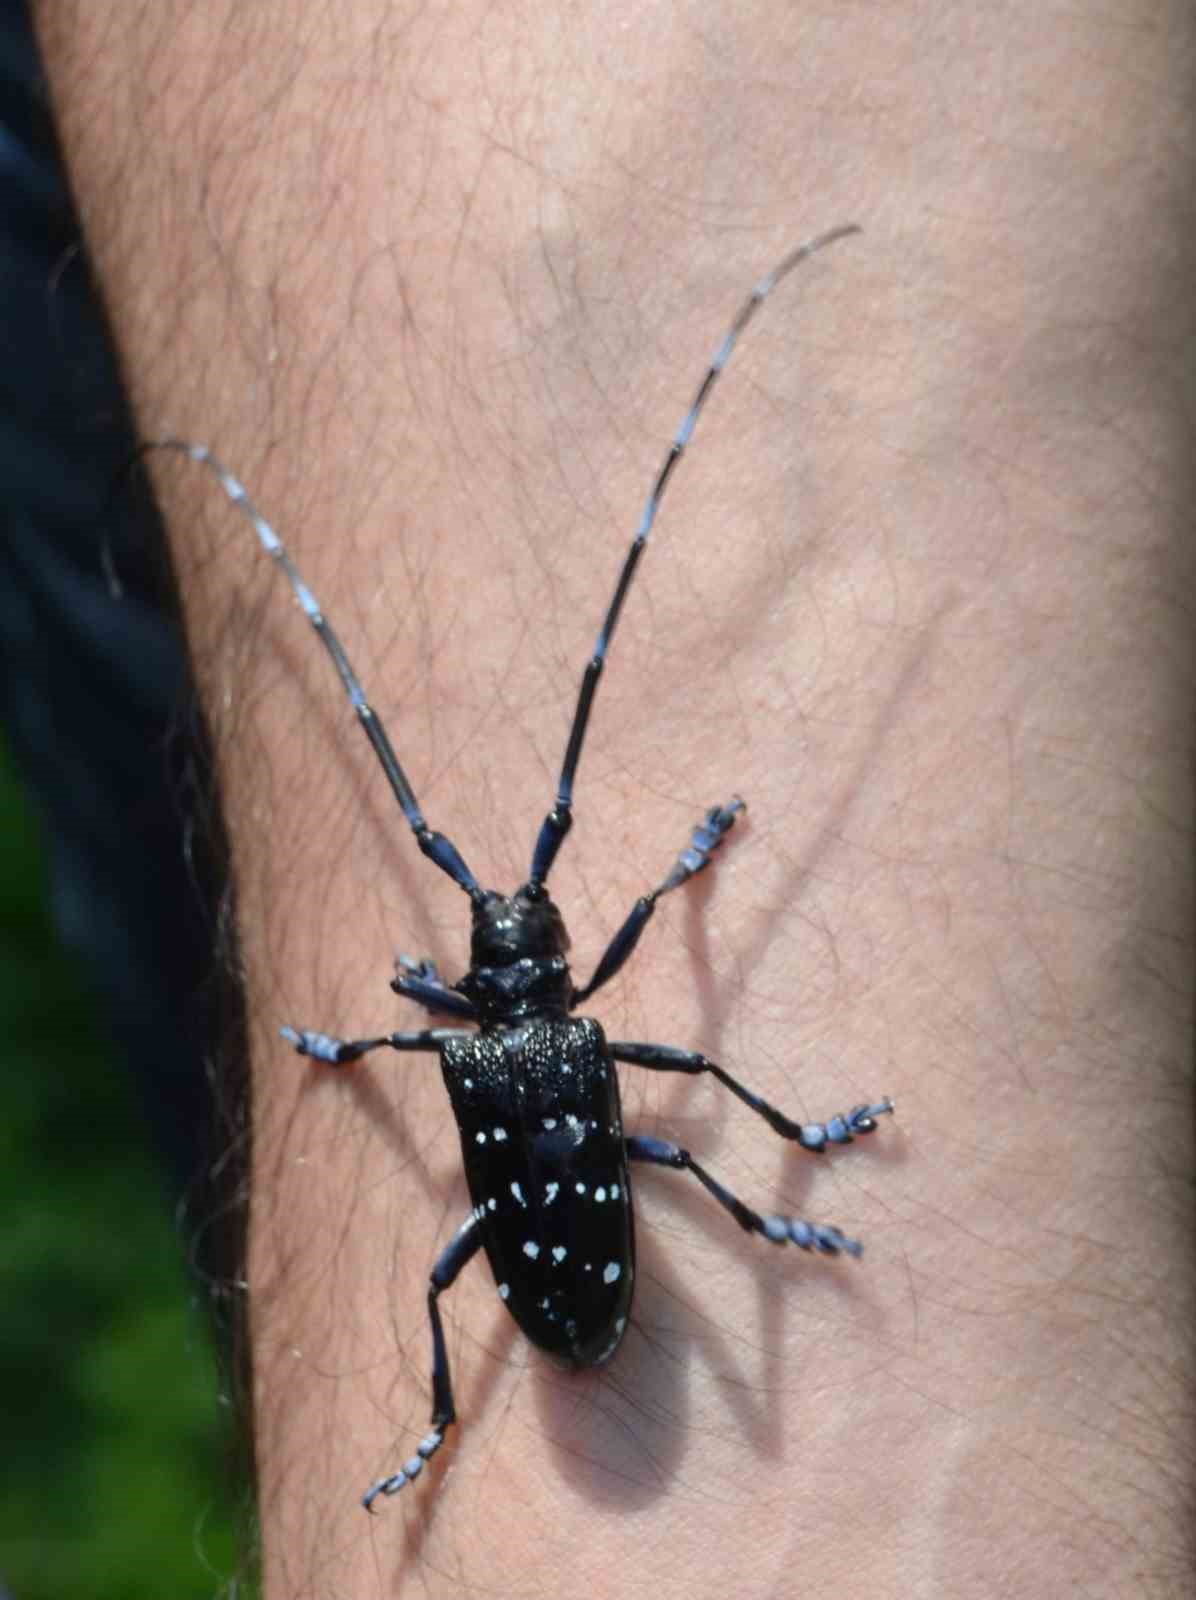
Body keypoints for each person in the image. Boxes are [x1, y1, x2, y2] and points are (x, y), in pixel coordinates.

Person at [34, 3, 1195, 1594]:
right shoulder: (564, 1037)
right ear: (551, 957)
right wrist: (669, 884)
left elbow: (416, 1033)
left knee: (434, 1227)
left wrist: (358, 1042)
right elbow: (605, 1015)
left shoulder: (482, 1043)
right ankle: (778, 1206)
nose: (523, 909)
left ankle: (499, 1391)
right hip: (580, 1293)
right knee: (683, 1119)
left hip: (555, 1295)